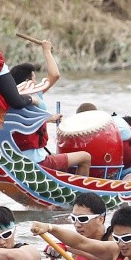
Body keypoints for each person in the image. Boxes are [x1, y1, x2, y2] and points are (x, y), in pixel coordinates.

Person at [9, 44, 91, 176]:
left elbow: (54, 76)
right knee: (85, 157)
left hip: (23, 157)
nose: (36, 80)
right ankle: (83, 195)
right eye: (34, 78)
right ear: (28, 81)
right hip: (37, 160)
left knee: (58, 156)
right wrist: (46, 51)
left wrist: (49, 119)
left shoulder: (14, 98)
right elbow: (55, 75)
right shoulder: (26, 99)